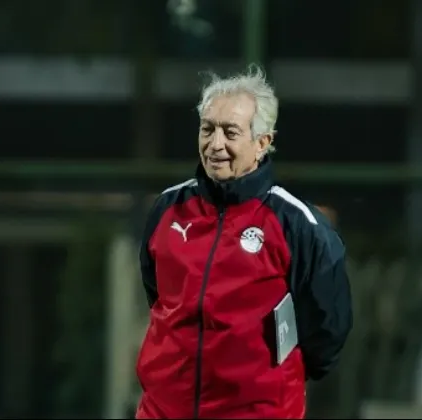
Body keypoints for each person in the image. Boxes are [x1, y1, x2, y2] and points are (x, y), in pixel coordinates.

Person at [134, 67, 353, 419]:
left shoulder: (297, 224)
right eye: (208, 129)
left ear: (262, 142)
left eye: (230, 132)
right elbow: (157, 295)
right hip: (164, 411)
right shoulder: (168, 209)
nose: (215, 144)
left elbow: (327, 329)